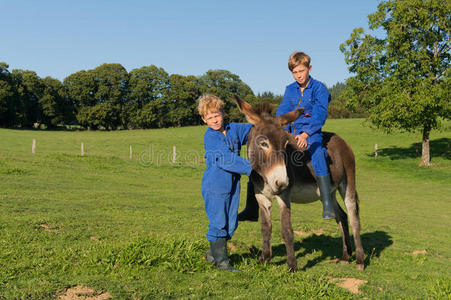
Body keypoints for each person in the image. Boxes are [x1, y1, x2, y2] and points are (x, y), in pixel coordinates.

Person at [238, 51, 335, 221]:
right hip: (289, 130)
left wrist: (306, 134)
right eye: (295, 72)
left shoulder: (320, 89)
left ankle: (327, 201)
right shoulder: (290, 89)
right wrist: (278, 127)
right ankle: (251, 206)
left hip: (310, 132)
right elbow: (283, 109)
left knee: (317, 152)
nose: (299, 75)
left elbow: (320, 114)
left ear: (309, 68)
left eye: (301, 71)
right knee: (263, 156)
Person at [198, 94, 253, 271]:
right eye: (210, 117)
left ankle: (212, 254)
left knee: (231, 223)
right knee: (218, 222)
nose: (215, 120)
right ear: (204, 119)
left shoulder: (233, 128)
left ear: (223, 113)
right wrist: (254, 168)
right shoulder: (211, 137)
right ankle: (222, 263)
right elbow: (225, 159)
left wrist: (267, 125)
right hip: (216, 185)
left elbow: (253, 129)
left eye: (217, 115)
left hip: (233, 185)